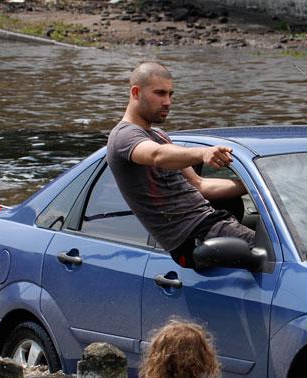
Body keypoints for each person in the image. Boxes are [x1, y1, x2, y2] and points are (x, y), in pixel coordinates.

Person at [107, 61, 254, 266]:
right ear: (136, 92)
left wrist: (255, 187)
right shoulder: (123, 136)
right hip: (190, 238)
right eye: (160, 93)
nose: (167, 102)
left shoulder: (159, 135)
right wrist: (202, 153)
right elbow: (157, 155)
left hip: (208, 222)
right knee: (276, 254)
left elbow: (200, 185)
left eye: (170, 94)